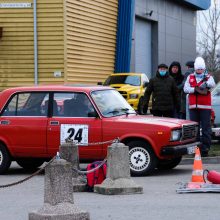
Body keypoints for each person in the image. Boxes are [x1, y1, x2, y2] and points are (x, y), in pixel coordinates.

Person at [184, 57, 216, 157]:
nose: (199, 71)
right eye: (198, 69)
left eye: (201, 69)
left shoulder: (208, 77)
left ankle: (205, 148)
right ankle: (195, 149)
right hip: (193, 107)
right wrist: (195, 89)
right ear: (195, 68)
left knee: (206, 128)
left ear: (204, 68)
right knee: (194, 129)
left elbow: (213, 84)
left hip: (205, 107)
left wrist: (205, 84)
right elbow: (186, 88)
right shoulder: (190, 77)